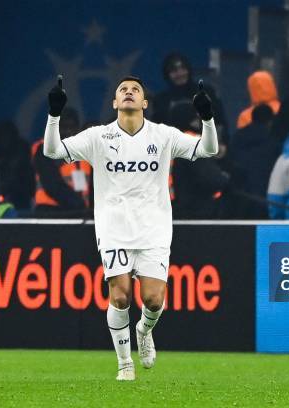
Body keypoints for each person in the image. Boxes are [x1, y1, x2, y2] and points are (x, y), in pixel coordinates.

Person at [43, 75, 218, 381]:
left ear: (144, 103)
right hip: (113, 229)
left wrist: (207, 118)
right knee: (121, 296)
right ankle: (125, 364)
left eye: (135, 90)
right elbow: (53, 152)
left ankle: (143, 330)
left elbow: (208, 150)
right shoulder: (98, 137)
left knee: (153, 300)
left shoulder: (163, 136)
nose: (128, 92)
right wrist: (54, 115)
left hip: (154, 229)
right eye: (122, 89)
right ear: (114, 102)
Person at [32, 108, 92, 217]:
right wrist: (78, 204)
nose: (68, 131)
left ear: (77, 129)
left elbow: (93, 186)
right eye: (64, 127)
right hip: (50, 212)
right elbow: (52, 184)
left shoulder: (84, 151)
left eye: (72, 127)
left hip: (80, 214)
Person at [0, 121, 35, 210]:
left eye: (6, 136)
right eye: (0, 136)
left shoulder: (24, 155)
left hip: (21, 203)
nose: (3, 140)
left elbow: (28, 182)